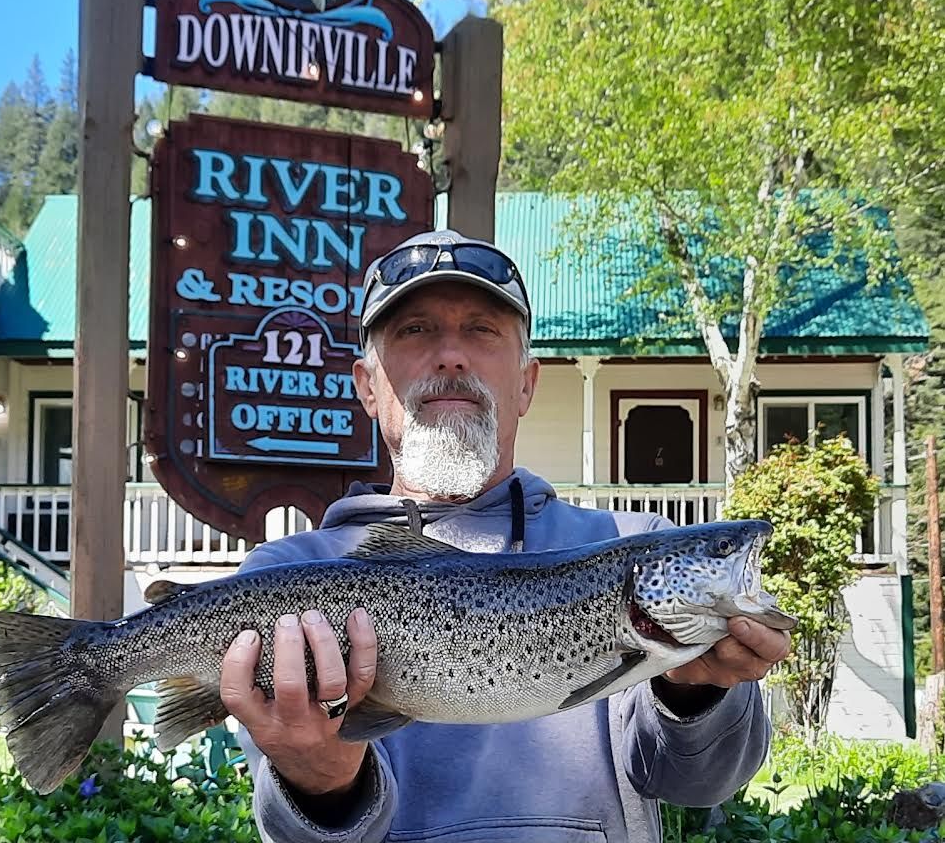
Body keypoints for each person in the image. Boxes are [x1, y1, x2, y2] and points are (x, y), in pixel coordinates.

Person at [218, 231, 792, 843]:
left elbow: (700, 785)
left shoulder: (631, 540)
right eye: (414, 331)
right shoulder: (281, 582)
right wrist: (322, 784)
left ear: (527, 383)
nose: (451, 357)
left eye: (482, 331)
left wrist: (696, 695)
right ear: (367, 385)